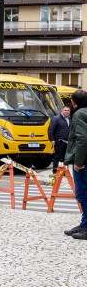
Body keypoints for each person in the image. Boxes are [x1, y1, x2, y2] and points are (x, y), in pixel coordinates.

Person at [63, 90, 87, 239]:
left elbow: (82, 139)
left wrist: (78, 162)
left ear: (73, 102)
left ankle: (86, 227)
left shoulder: (78, 114)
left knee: (83, 194)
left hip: (83, 161)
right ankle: (84, 224)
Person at [48, 106, 72, 172]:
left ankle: (64, 171)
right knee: (58, 157)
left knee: (66, 158)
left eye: (68, 110)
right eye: (65, 110)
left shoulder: (70, 119)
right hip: (59, 141)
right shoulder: (56, 118)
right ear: (62, 110)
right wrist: (52, 139)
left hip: (68, 142)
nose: (66, 111)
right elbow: (50, 130)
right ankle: (55, 171)